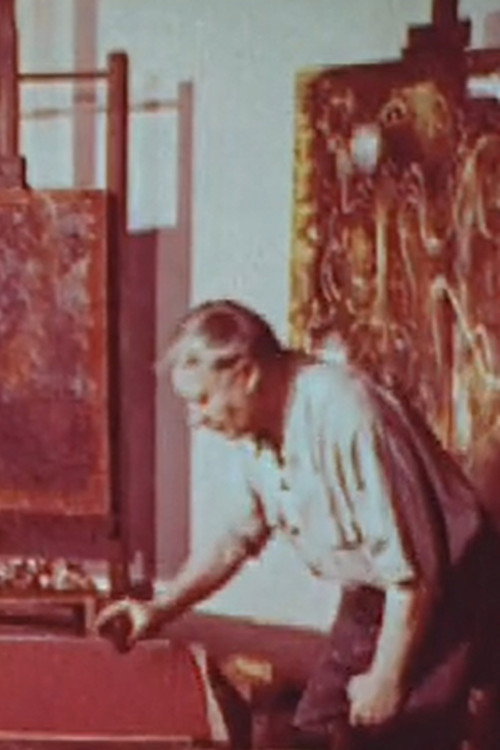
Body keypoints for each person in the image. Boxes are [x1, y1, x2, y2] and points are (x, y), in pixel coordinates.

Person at [95, 299, 495, 750]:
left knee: (398, 735)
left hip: (449, 591)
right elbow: (232, 539)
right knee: (314, 732)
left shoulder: (345, 411)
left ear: (247, 374)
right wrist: (160, 609)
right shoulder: (257, 428)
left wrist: (387, 677)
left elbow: (416, 573)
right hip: (376, 594)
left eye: (202, 399)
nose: (195, 419)